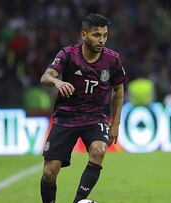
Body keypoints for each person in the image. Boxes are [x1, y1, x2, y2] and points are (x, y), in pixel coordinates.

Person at [39, 13, 127, 203]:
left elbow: (118, 90)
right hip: (66, 117)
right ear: (84, 35)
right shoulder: (68, 54)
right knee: (49, 172)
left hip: (95, 117)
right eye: (96, 35)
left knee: (99, 150)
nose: (101, 40)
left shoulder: (113, 60)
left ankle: (78, 201)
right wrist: (56, 81)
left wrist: (115, 124)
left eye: (104, 35)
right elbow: (45, 76)